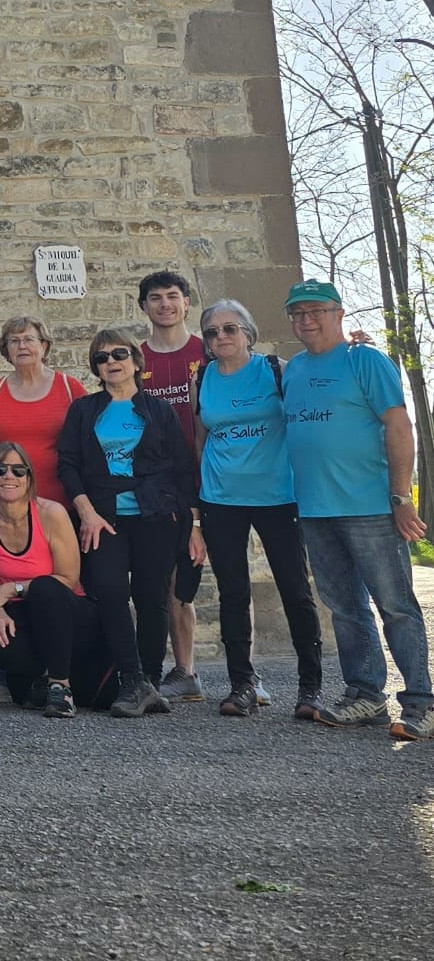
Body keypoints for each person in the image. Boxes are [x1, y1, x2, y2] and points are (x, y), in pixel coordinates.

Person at [280, 280, 432, 739]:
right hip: (315, 508)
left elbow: (398, 425)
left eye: (316, 310)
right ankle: (365, 695)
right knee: (345, 609)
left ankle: (422, 702)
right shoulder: (294, 369)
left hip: (369, 507)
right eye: (298, 313)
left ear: (339, 313)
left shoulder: (365, 359)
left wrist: (401, 497)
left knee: (396, 606)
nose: (307, 320)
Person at [56, 329, 198, 719]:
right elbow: (68, 464)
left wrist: (194, 524)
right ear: (96, 368)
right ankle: (131, 678)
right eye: (102, 358)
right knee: (110, 590)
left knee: (152, 596)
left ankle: (149, 680)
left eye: (119, 354)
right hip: (103, 516)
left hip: (156, 514)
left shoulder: (159, 410)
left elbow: (181, 467)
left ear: (136, 361)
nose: (111, 362)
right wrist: (86, 511)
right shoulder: (84, 410)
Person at [193, 299, 324, 719]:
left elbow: (313, 409)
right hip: (221, 499)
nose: (221, 337)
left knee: (295, 590)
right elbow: (200, 440)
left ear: (248, 332)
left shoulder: (276, 369)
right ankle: (242, 684)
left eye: (229, 328)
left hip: (277, 497)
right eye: (212, 331)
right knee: (233, 593)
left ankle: (311, 687)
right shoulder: (203, 378)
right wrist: (198, 502)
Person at [0, 443, 114, 717]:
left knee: (44, 587)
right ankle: (42, 677)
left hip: (71, 613)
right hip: (25, 614)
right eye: (0, 470)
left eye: (18, 471)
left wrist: (14, 587)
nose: (9, 476)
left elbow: (68, 579)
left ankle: (60, 688)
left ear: (29, 478)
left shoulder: (51, 513)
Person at [135, 271, 210, 704]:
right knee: (170, 583)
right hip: (161, 487)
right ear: (143, 306)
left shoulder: (208, 352)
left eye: (172, 296)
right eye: (155, 298)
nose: (165, 304)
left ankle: (248, 675)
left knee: (230, 576)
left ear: (186, 302)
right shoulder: (136, 358)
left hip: (211, 481)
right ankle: (184, 671)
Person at [0, 316, 86, 506]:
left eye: (28, 339)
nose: (22, 346)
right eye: (14, 341)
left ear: (44, 345)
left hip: (65, 503)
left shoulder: (71, 388)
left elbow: (89, 447)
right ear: (6, 349)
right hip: (9, 506)